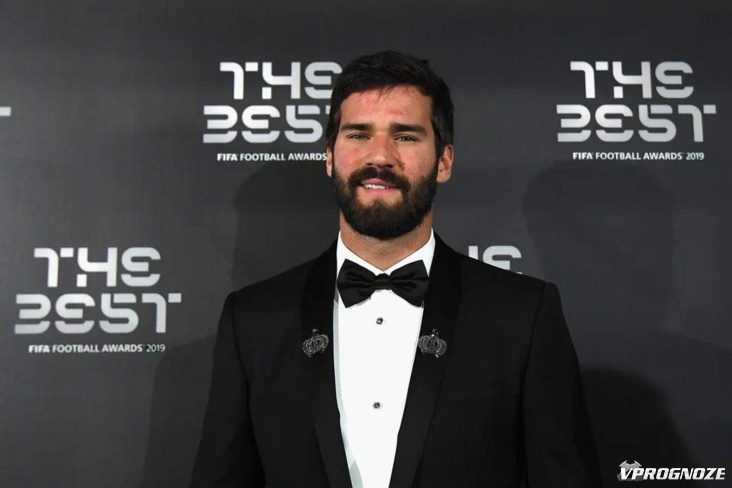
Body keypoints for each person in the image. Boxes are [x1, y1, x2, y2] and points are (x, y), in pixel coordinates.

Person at [190, 50, 601, 488]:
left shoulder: (521, 315)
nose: (380, 156)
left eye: (405, 136)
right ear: (329, 157)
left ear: (444, 161)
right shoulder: (254, 320)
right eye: (358, 134)